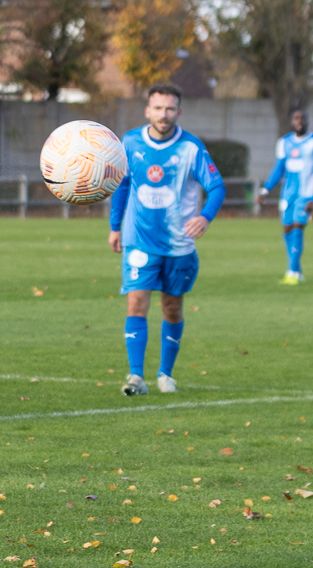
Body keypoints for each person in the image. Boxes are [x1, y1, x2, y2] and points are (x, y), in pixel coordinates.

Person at [108, 83, 226, 396]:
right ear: (148, 111)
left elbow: (217, 186)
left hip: (178, 244)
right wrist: (115, 225)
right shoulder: (130, 142)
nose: (164, 114)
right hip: (138, 239)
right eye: (158, 108)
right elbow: (122, 185)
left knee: (172, 309)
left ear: (179, 112)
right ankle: (135, 377)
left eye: (170, 108)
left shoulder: (191, 147)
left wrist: (205, 217)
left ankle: (165, 374)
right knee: (136, 303)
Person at [256, 109, 313, 285]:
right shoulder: (284, 143)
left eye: (302, 118)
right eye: (296, 118)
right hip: (287, 195)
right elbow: (279, 169)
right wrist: (265, 190)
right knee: (287, 230)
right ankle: (297, 271)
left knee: (297, 227)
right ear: (291, 122)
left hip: (305, 194)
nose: (299, 121)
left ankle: (292, 272)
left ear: (307, 121)